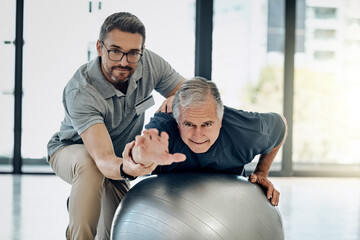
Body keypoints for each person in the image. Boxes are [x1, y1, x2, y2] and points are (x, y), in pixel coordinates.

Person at [47, 12, 185, 240]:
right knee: (89, 164)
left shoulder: (149, 62)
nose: (124, 61)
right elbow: (102, 158)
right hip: (72, 151)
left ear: (142, 50)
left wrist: (176, 97)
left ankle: (84, 199)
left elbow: (188, 90)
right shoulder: (81, 91)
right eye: (115, 51)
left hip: (118, 160)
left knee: (116, 232)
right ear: (100, 47)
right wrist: (128, 169)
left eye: (133, 53)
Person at [122, 76, 288, 206]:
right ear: (177, 121)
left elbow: (281, 125)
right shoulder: (163, 130)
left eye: (207, 124)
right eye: (189, 124)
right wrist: (141, 158)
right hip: (172, 212)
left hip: (229, 209)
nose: (198, 135)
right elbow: (139, 152)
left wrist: (261, 173)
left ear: (220, 120)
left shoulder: (247, 131)